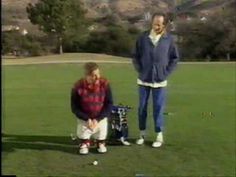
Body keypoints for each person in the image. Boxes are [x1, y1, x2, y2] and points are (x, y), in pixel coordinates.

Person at [132, 12, 179, 148]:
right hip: (143, 80)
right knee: (142, 108)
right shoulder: (142, 38)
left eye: (159, 24)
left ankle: (159, 135)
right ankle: (142, 134)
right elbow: (135, 56)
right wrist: (141, 70)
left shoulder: (168, 39)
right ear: (151, 23)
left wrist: (165, 73)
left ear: (164, 25)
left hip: (160, 81)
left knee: (158, 108)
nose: (156, 26)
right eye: (154, 23)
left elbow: (174, 58)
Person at [71, 62, 113, 154]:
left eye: (98, 74)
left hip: (100, 117)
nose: (97, 77)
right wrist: (87, 119)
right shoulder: (77, 86)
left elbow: (109, 104)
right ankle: (84, 142)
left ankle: (100, 142)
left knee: (101, 132)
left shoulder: (105, 84)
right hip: (84, 118)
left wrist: (97, 119)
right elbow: (74, 107)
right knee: (83, 134)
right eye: (94, 75)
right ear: (87, 76)